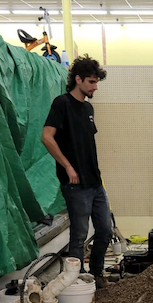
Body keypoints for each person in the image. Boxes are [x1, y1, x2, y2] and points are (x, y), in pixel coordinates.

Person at [41, 55, 112, 286]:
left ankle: (97, 273)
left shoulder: (88, 108)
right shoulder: (61, 104)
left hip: (95, 182)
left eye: (96, 82)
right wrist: (68, 166)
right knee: (79, 236)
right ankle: (76, 281)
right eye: (91, 82)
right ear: (78, 80)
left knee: (105, 230)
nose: (95, 87)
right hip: (75, 184)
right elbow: (46, 137)